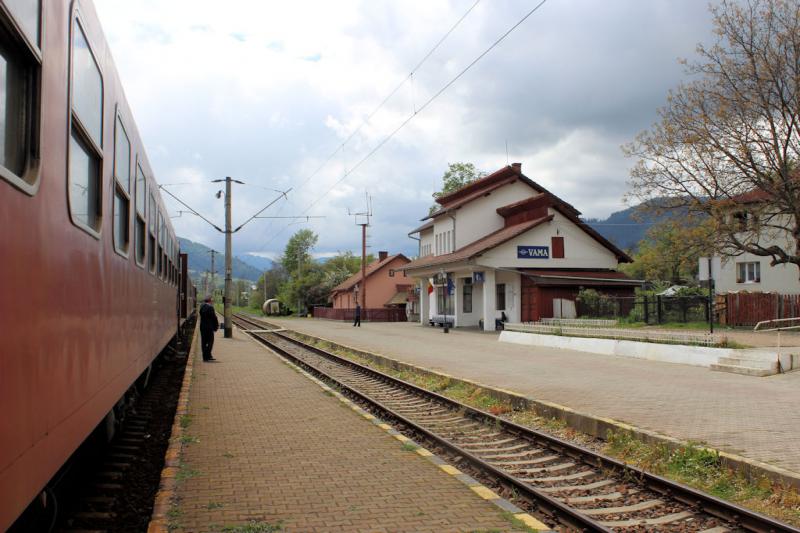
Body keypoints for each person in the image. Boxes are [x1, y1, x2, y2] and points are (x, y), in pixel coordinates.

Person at [199, 296, 219, 361]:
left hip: (202, 327)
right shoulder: (210, 307)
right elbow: (214, 318)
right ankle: (207, 355)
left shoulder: (202, 307)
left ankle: (206, 356)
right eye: (212, 301)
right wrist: (216, 326)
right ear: (209, 301)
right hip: (209, 328)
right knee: (210, 341)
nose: (213, 302)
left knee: (203, 342)